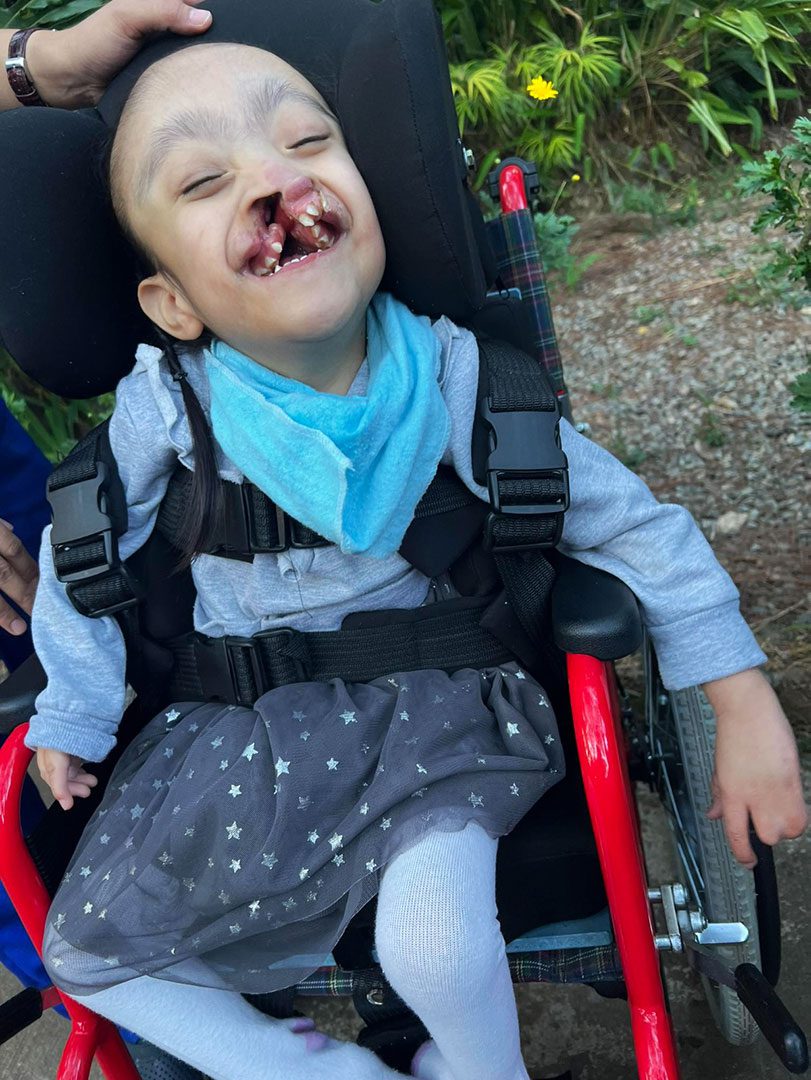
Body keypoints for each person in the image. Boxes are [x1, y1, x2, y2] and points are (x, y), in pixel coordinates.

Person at [24, 41, 806, 1080]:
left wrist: (740, 699)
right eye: (207, 179)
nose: (275, 176)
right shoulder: (167, 407)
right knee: (86, 952)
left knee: (431, 947)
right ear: (173, 304)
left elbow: (635, 527)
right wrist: (72, 712)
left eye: (308, 142)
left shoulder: (450, 373)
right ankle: (319, 1070)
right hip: (239, 738)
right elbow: (83, 556)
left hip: (439, 716)